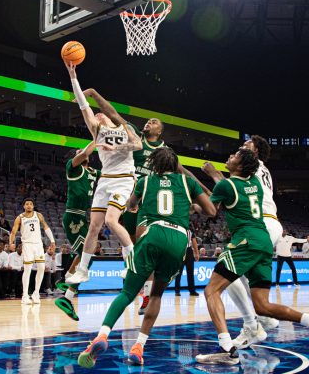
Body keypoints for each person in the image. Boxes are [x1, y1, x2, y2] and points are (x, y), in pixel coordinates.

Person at [77, 147, 216, 368]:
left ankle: (101, 336)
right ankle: (138, 347)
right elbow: (211, 211)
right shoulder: (187, 183)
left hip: (153, 234)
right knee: (157, 295)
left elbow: (129, 206)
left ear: (155, 165)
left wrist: (138, 203)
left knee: (127, 292)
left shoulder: (146, 181)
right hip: (179, 239)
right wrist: (192, 205)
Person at [196, 148, 309, 365]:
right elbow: (230, 189)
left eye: (234, 156)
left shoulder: (226, 185)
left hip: (245, 241)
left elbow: (211, 211)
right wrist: (214, 177)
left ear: (240, 167)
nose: (230, 156)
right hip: (262, 243)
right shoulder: (255, 186)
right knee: (262, 306)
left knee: (212, 290)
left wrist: (194, 203)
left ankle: (227, 349)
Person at [90, 92, 211, 314]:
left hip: (150, 202)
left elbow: (183, 172)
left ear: (160, 131)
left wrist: (204, 188)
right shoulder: (134, 136)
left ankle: (146, 293)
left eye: (154, 122)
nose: (149, 122)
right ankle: (135, 286)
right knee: (132, 245)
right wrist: (93, 94)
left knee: (145, 247)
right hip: (128, 192)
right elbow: (112, 112)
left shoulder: (165, 152)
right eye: (148, 120)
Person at [64, 62, 142, 285]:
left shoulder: (123, 128)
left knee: (111, 220)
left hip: (124, 179)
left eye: (101, 115)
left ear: (109, 118)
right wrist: (73, 77)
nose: (97, 116)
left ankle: (131, 261)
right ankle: (83, 269)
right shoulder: (97, 131)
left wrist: (116, 148)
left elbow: (138, 146)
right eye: (96, 116)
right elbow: (82, 104)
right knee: (94, 226)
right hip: (105, 180)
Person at [201, 135, 282, 349]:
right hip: (267, 224)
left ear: (253, 154)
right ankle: (260, 318)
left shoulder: (251, 169)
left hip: (259, 225)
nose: (240, 148)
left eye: (245, 146)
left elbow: (228, 186)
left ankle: (252, 323)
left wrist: (212, 173)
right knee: (240, 274)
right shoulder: (263, 170)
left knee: (228, 274)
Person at [55, 143, 99, 321]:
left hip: (83, 217)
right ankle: (67, 295)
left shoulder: (94, 172)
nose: (83, 152)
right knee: (87, 255)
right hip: (73, 216)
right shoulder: (72, 168)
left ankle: (66, 282)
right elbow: (86, 151)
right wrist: (98, 138)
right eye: (79, 151)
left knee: (85, 254)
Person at [9, 198, 56, 305]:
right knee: (28, 269)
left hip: (38, 244)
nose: (29, 205)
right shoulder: (20, 217)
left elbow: (46, 227)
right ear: (24, 206)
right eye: (27, 204)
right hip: (27, 245)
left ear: (33, 206)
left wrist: (52, 240)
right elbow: (13, 231)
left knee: (41, 268)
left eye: (31, 204)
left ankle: (36, 293)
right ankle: (25, 295)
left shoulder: (38, 215)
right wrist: (11, 242)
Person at [174, 232, 200, 297]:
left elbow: (194, 242)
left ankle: (178, 291)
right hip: (183, 250)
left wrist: (196, 253)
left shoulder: (184, 230)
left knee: (182, 273)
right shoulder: (190, 230)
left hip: (182, 250)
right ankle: (191, 291)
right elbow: (194, 242)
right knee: (183, 273)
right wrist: (196, 253)